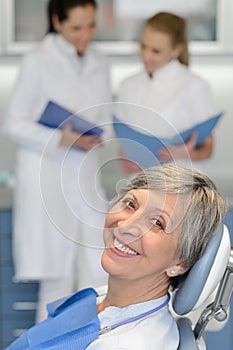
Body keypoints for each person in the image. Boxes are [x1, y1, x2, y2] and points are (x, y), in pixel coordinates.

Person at [6, 164, 227, 349]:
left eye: (157, 223)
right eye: (131, 204)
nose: (125, 226)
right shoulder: (103, 299)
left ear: (180, 263)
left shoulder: (126, 343)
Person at [3, 0, 111, 323]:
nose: (85, 35)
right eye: (76, 27)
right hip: (48, 181)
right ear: (57, 21)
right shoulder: (37, 61)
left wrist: (100, 134)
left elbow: (104, 115)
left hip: (85, 179)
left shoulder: (100, 61)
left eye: (90, 25)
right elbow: (12, 123)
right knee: (57, 286)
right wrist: (60, 139)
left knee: (98, 277)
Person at [115, 12, 218, 173]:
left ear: (176, 49)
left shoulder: (195, 86)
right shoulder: (128, 85)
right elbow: (123, 140)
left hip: (181, 185)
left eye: (156, 51)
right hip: (140, 187)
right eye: (143, 46)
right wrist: (124, 159)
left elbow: (208, 148)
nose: (146, 55)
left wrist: (187, 153)